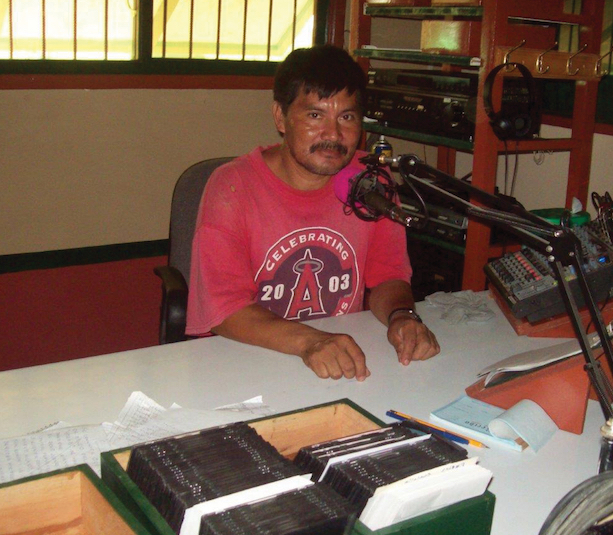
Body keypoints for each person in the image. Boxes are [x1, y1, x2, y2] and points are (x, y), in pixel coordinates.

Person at [186, 44, 440, 381]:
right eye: (315, 115)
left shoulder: (370, 182)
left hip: (334, 362)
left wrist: (402, 316)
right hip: (244, 361)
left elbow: (388, 274)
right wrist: (310, 342)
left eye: (346, 117)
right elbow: (223, 309)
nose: (333, 135)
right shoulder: (232, 187)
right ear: (280, 117)